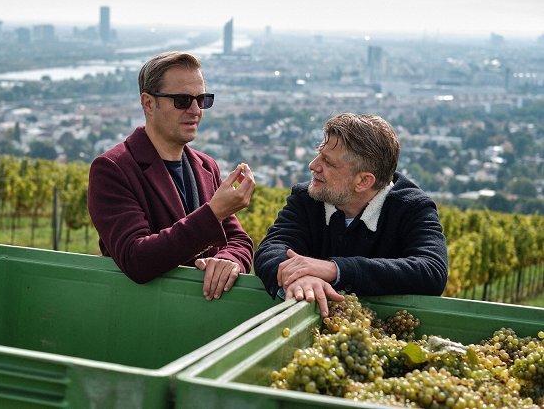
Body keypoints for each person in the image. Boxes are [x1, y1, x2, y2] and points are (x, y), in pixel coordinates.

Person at [88, 51, 255, 301]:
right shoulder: (112, 168)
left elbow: (239, 241)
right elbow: (136, 258)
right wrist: (213, 213)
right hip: (143, 316)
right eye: (182, 100)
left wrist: (227, 261)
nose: (195, 110)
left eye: (202, 99)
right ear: (148, 103)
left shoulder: (206, 166)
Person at [254, 113, 448, 317]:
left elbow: (431, 271)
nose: (313, 165)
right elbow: (271, 249)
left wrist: (335, 270)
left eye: (328, 163)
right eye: (319, 153)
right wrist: (299, 278)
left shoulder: (411, 208)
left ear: (364, 181)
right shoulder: (307, 199)